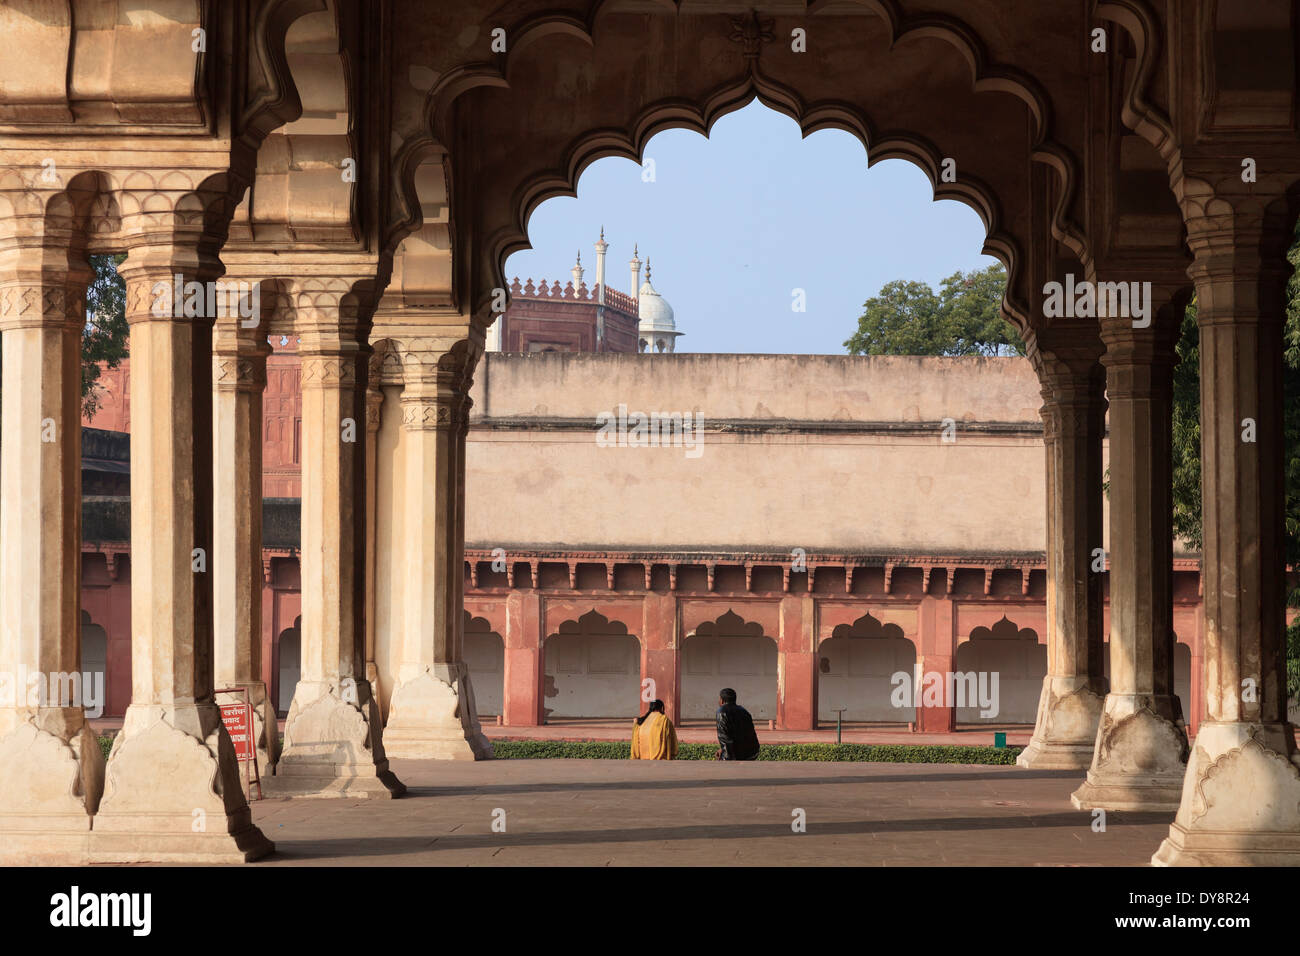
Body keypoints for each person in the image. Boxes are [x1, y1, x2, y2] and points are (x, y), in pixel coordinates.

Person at [715, 687, 760, 760]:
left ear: (722, 700)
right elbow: (742, 735)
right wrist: (722, 750)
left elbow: (725, 738)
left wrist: (725, 758)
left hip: (738, 756)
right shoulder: (744, 711)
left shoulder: (721, 712)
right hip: (752, 752)